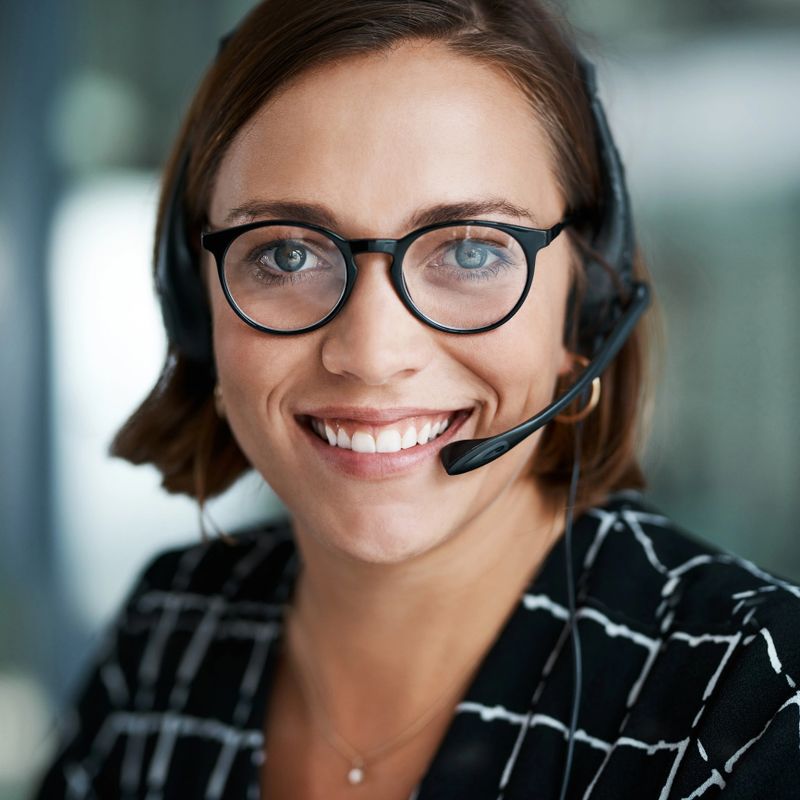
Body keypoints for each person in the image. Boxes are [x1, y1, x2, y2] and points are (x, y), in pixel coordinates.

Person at [32, 1, 800, 798]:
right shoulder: (170, 633)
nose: (371, 354)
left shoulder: (758, 699)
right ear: (198, 307)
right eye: (287, 253)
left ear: (586, 308)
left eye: (469, 251)